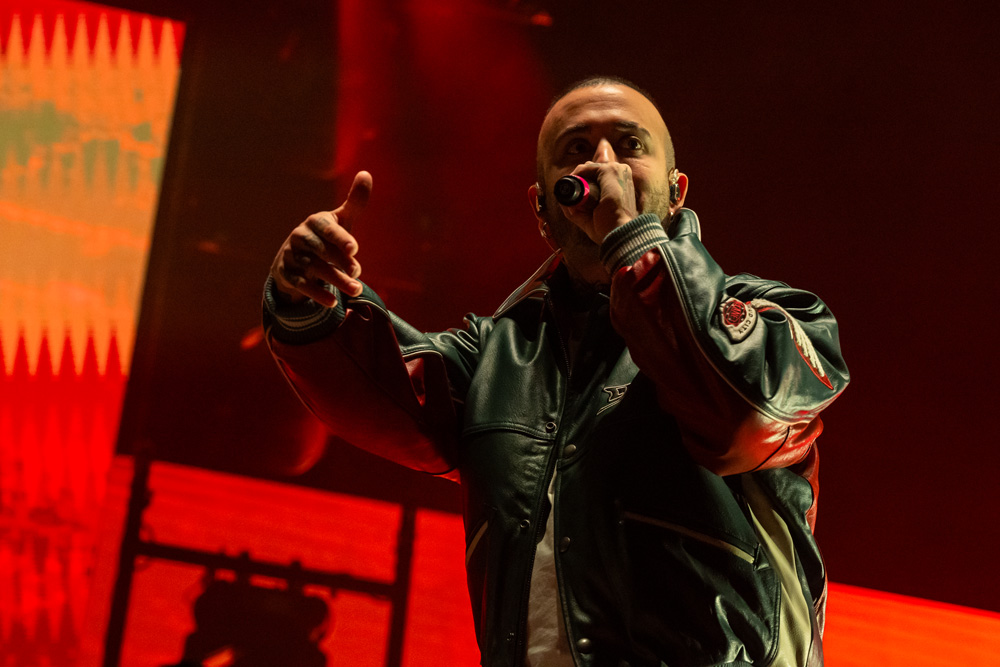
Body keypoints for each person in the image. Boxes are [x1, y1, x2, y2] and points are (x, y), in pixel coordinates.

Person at [263, 76, 848, 667]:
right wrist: (308, 300)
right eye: (576, 150)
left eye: (629, 146)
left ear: (677, 194)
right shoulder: (498, 356)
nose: (603, 165)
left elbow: (738, 418)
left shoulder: (774, 317)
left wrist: (634, 241)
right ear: (544, 207)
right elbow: (380, 391)